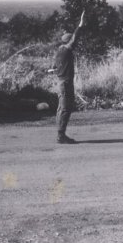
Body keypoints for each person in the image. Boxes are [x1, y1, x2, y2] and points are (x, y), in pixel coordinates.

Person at [52, 11, 85, 144]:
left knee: (62, 108)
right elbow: (75, 38)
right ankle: (61, 136)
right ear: (68, 41)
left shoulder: (59, 51)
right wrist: (80, 24)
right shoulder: (66, 50)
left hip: (61, 82)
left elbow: (54, 67)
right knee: (65, 108)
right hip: (65, 83)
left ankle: (60, 134)